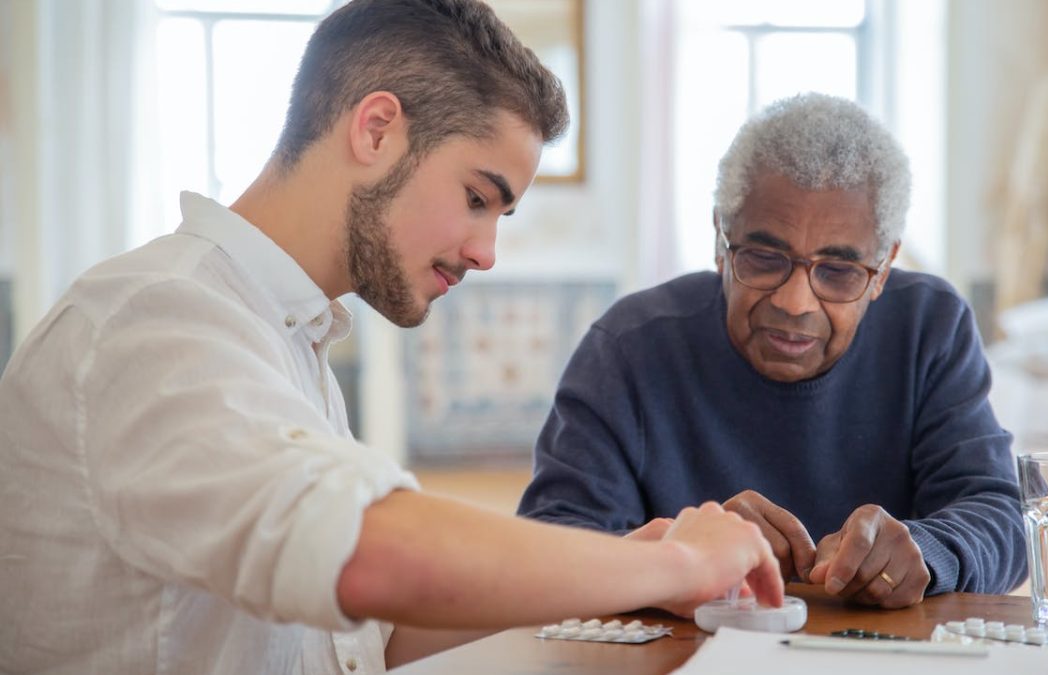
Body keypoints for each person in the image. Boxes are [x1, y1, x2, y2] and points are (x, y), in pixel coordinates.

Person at [0, 1, 783, 672]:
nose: (486, 252)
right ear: (376, 129)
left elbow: (368, 630)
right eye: (478, 197)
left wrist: (631, 573)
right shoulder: (153, 318)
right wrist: (670, 559)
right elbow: (370, 553)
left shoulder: (283, 335)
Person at [518, 92, 1027, 610]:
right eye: (764, 258)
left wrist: (929, 548)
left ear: (883, 268)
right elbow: (550, 548)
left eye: (839, 271)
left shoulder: (930, 328)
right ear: (721, 240)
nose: (794, 301)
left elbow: (1001, 516)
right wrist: (682, 553)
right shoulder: (629, 347)